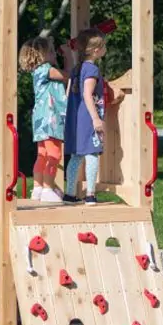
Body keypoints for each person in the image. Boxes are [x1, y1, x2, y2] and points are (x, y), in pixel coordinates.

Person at [18, 36, 72, 202]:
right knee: (54, 154)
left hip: (41, 118)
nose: (54, 53)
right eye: (51, 51)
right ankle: (48, 188)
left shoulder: (38, 71)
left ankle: (39, 187)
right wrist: (68, 55)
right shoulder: (46, 69)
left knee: (42, 154)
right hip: (51, 118)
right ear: (42, 55)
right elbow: (68, 75)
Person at [64, 28, 108, 205]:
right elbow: (87, 94)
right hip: (88, 119)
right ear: (97, 51)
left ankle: (69, 194)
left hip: (76, 119)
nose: (105, 49)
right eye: (104, 46)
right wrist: (96, 118)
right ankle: (90, 194)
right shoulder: (91, 70)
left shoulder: (76, 69)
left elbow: (69, 94)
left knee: (76, 156)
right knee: (92, 155)